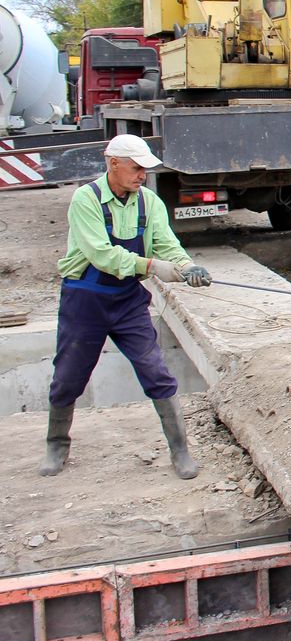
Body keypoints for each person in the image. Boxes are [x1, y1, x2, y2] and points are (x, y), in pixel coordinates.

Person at [40, 134, 213, 480]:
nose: (141, 176)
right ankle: (56, 444)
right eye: (136, 168)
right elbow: (103, 255)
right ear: (113, 163)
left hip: (127, 301)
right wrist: (152, 268)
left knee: (156, 372)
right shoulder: (85, 200)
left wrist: (187, 266)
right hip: (85, 299)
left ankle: (180, 450)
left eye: (145, 170)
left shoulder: (149, 202)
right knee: (69, 375)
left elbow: (167, 244)